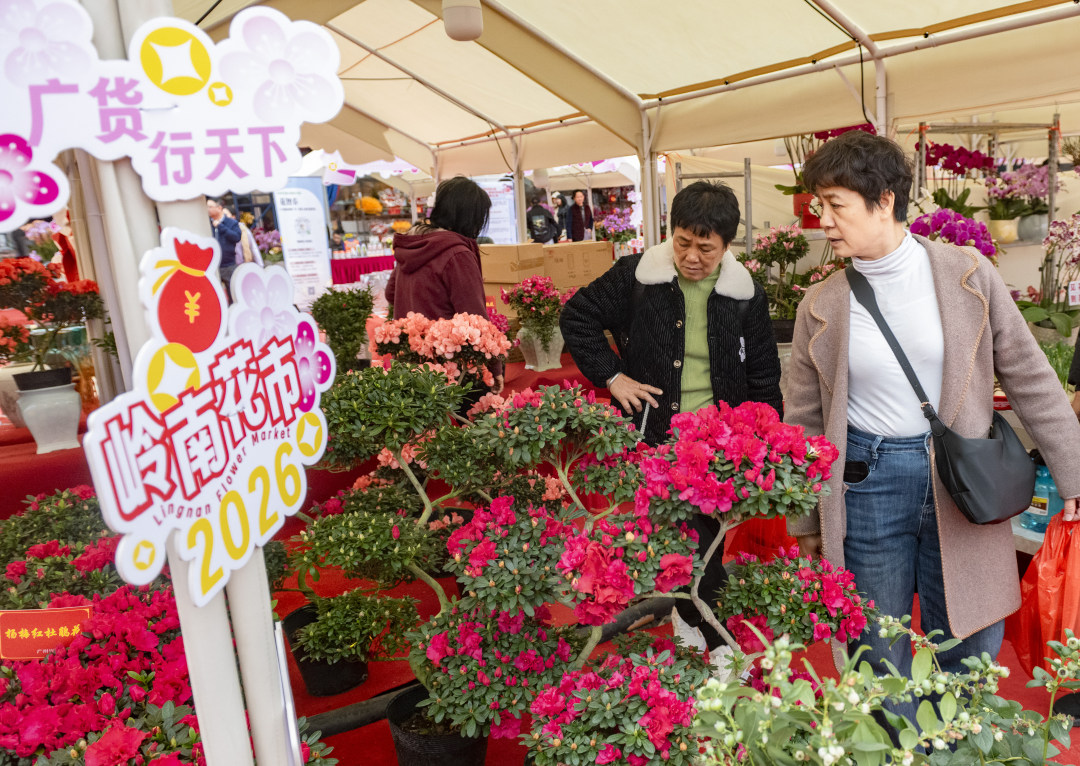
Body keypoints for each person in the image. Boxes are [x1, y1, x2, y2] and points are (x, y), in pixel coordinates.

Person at [783, 130, 1080, 699]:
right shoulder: (819, 304)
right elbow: (804, 420)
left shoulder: (968, 274)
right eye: (819, 205)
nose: (823, 219)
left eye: (835, 205)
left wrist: (1072, 470)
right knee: (876, 647)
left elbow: (1030, 375)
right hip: (866, 483)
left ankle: (960, 747)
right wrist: (804, 521)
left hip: (963, 477)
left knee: (969, 645)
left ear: (885, 201)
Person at [560, 180, 782, 655]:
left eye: (707, 248)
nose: (692, 257)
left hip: (722, 445)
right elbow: (577, 316)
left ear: (727, 246)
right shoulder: (637, 277)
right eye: (683, 243)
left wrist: (767, 447)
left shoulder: (744, 294)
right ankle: (717, 640)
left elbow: (763, 375)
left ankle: (691, 621)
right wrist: (612, 376)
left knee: (705, 541)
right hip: (658, 435)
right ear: (670, 232)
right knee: (690, 538)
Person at [385, 176, 503, 393]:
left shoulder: (413, 244)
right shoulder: (456, 253)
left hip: (409, 364)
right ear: (470, 216)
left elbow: (391, 294)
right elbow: (475, 319)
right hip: (451, 370)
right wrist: (495, 367)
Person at [207, 198, 242, 290]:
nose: (208, 209)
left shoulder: (231, 223)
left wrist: (220, 226)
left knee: (234, 292)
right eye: (206, 207)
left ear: (219, 208)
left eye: (210, 207)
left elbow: (236, 237)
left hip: (228, 265)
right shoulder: (207, 224)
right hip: (212, 266)